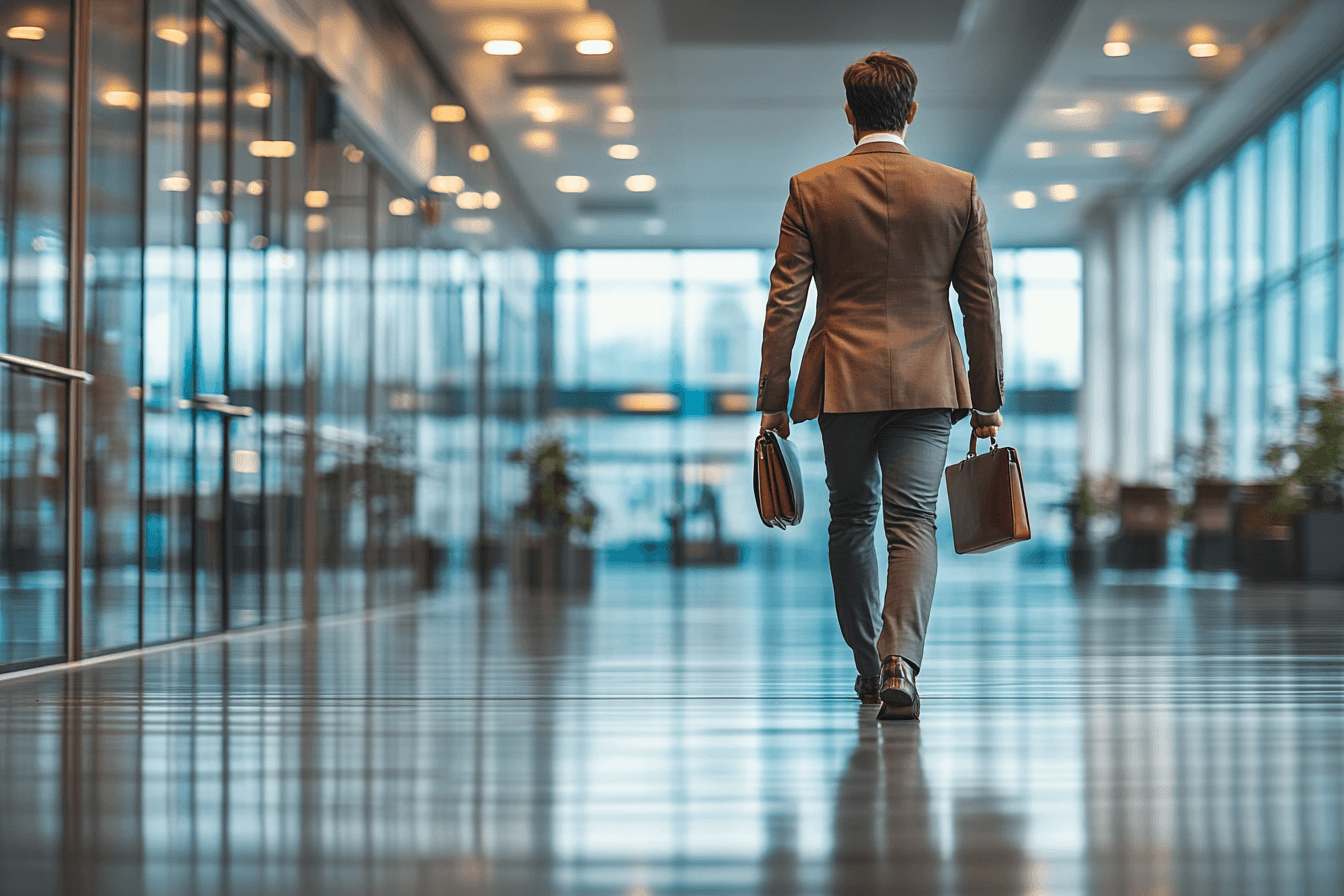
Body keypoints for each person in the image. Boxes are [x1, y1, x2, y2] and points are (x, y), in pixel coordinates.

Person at [756, 52, 1004, 721]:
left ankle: (870, 664)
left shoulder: (812, 189)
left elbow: (786, 303)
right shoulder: (956, 189)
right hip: (929, 383)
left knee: (851, 520)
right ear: (911, 112)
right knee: (912, 521)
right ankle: (902, 663)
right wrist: (987, 403)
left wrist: (773, 402)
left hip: (842, 382)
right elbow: (981, 304)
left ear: (849, 113)